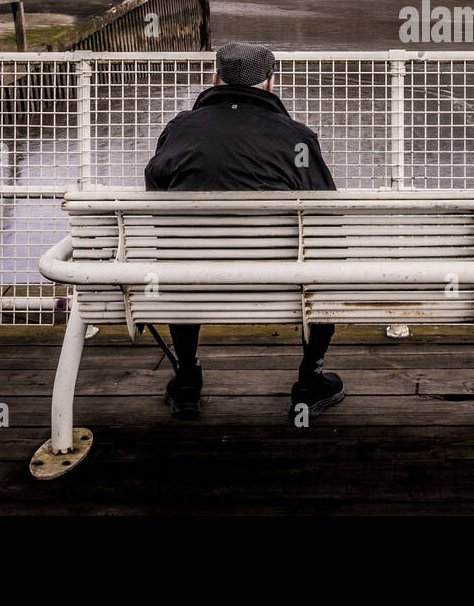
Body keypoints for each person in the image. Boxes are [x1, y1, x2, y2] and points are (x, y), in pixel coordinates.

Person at [144, 41, 344, 422]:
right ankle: (308, 381)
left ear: (215, 77)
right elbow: (325, 214)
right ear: (269, 83)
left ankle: (187, 381)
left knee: (180, 253)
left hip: (190, 279)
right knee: (325, 263)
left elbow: (156, 196)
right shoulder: (295, 137)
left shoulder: (180, 128)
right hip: (279, 282)